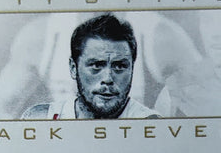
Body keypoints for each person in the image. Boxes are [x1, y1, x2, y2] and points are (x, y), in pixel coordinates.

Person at [21, 13, 160, 119]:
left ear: (132, 69)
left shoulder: (151, 124)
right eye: (96, 66)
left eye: (119, 67)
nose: (108, 78)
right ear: (73, 68)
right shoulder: (42, 118)